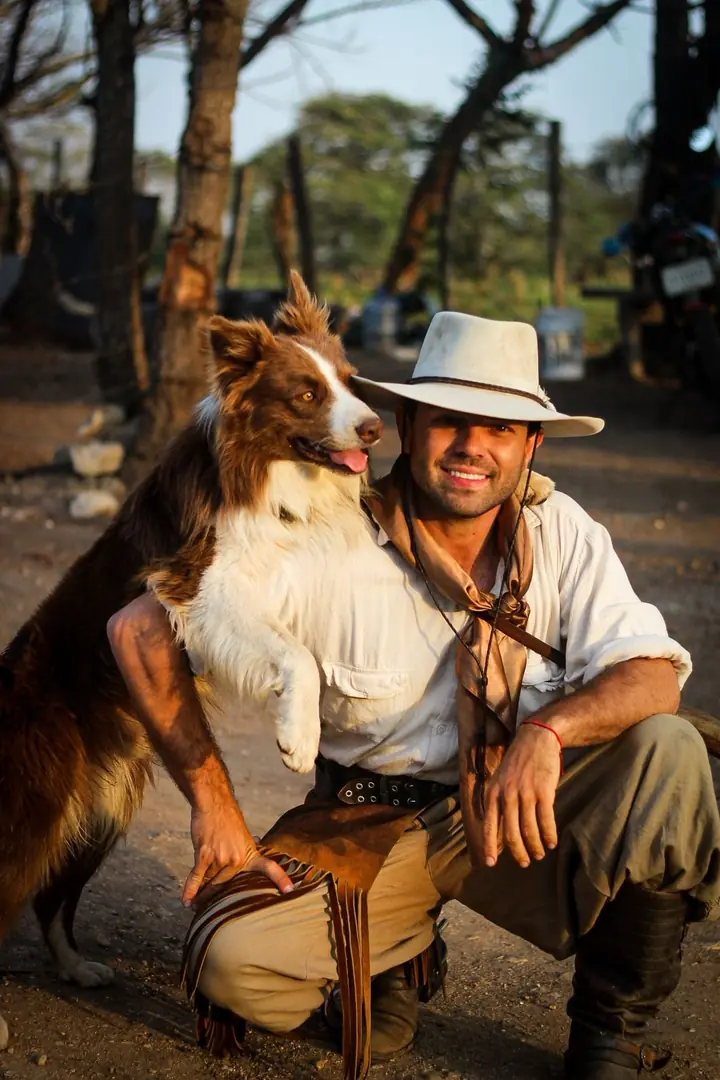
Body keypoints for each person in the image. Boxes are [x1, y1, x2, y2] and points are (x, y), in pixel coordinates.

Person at [108, 311, 720, 1080]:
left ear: (531, 444)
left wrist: (548, 734)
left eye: (500, 428)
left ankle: (610, 1034)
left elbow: (653, 674)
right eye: (449, 423)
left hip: (522, 807)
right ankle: (393, 952)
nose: (472, 447)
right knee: (232, 967)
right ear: (404, 422)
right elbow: (139, 630)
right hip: (376, 826)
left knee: (670, 750)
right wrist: (213, 803)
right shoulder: (332, 533)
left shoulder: (562, 529)